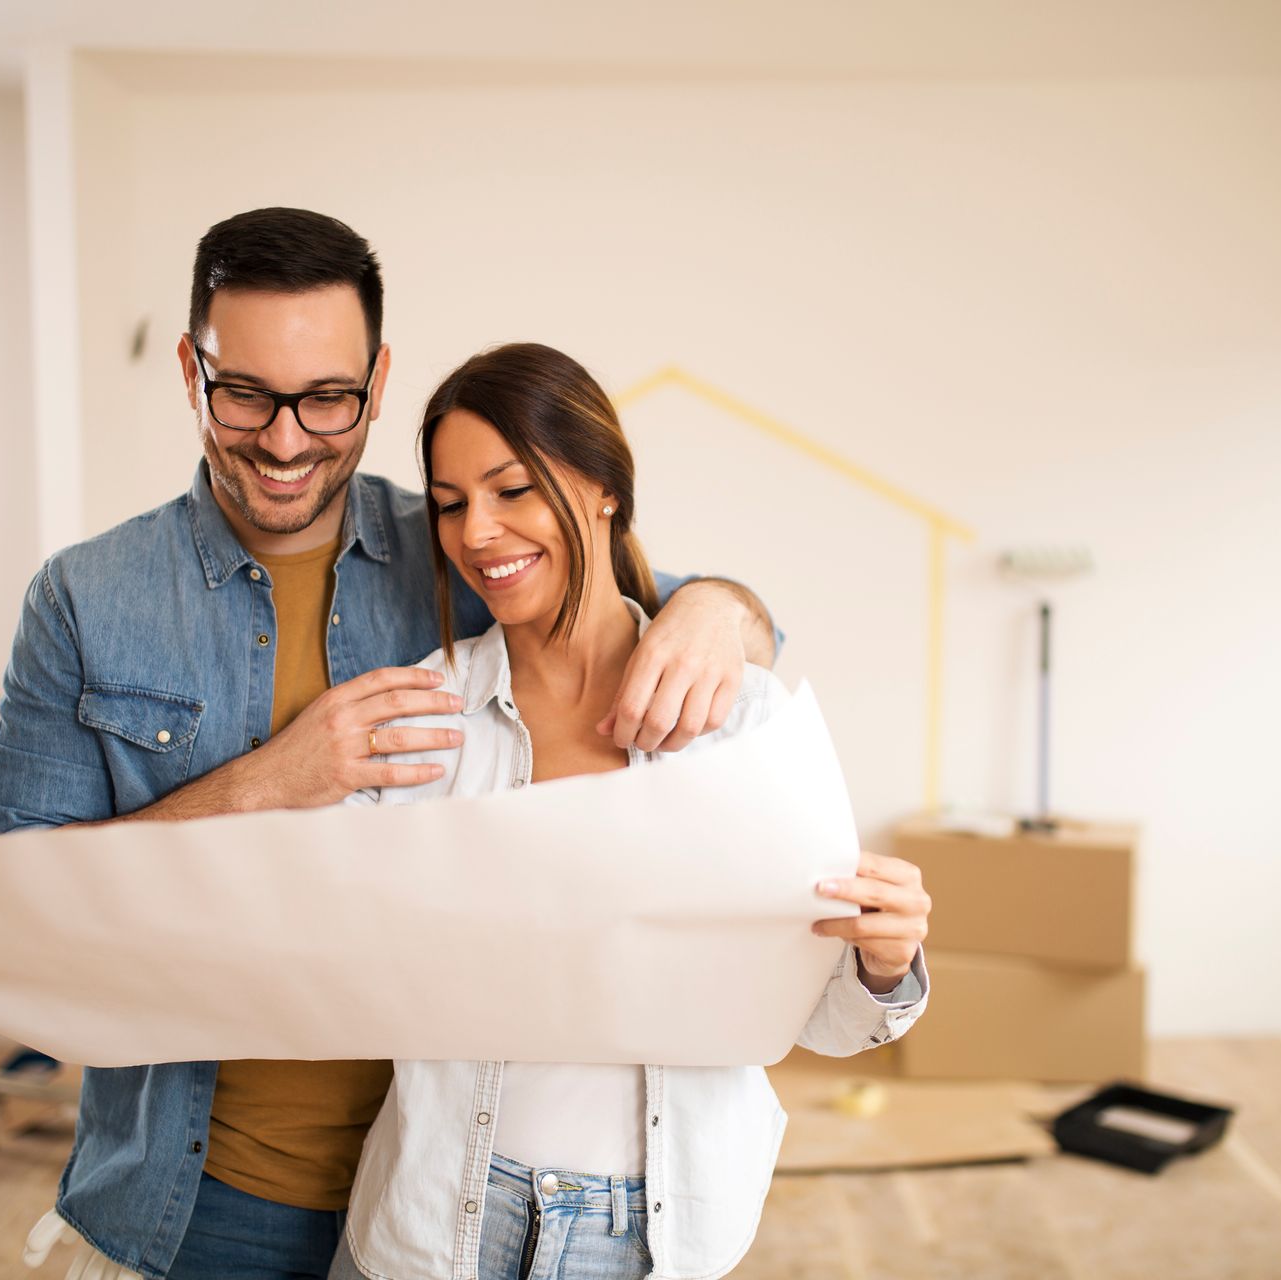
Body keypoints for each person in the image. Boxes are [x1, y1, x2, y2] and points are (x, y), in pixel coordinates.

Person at [0, 208, 779, 1280]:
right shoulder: (87, 598)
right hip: (197, 1192)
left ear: (378, 377)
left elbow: (660, 613)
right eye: (246, 391)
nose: (287, 436)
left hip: (438, 1194)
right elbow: (23, 901)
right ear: (190, 367)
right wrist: (269, 781)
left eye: (328, 397)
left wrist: (724, 606)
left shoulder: (459, 542)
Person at [329, 343, 931, 1280]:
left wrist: (884, 963)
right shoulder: (417, 722)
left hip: (649, 1242)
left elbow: (817, 1021)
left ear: (603, 487)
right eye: (450, 504)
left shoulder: (749, 724)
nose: (478, 532)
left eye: (513, 490)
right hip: (432, 1226)